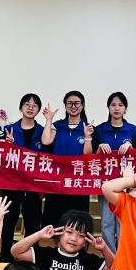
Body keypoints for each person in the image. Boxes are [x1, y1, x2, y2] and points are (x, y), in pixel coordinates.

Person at [92, 92, 136, 252]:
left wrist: (131, 147)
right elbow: (91, 158)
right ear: (108, 107)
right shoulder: (99, 130)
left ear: (125, 109)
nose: (116, 108)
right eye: (113, 105)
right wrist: (99, 148)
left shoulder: (133, 130)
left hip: (126, 185)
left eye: (120, 105)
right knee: (107, 222)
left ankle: (123, 255)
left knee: (123, 221)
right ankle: (110, 257)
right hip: (105, 184)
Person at [0, 92, 45, 262]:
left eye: (34, 105)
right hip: (11, 183)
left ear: (38, 110)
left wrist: (43, 187)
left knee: (33, 221)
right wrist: (7, 146)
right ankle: (5, 258)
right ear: (21, 108)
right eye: (27, 104)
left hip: (33, 184)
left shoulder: (43, 131)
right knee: (8, 221)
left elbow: (48, 159)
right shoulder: (8, 129)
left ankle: (31, 259)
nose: (30, 108)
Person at [40, 90, 92, 226]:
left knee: (77, 222)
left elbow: (88, 156)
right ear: (65, 106)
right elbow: (45, 141)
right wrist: (49, 120)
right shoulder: (57, 126)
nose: (73, 106)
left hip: (78, 181)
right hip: (57, 180)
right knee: (54, 219)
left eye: (77, 103)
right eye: (69, 103)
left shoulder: (88, 127)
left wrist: (87, 136)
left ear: (82, 106)